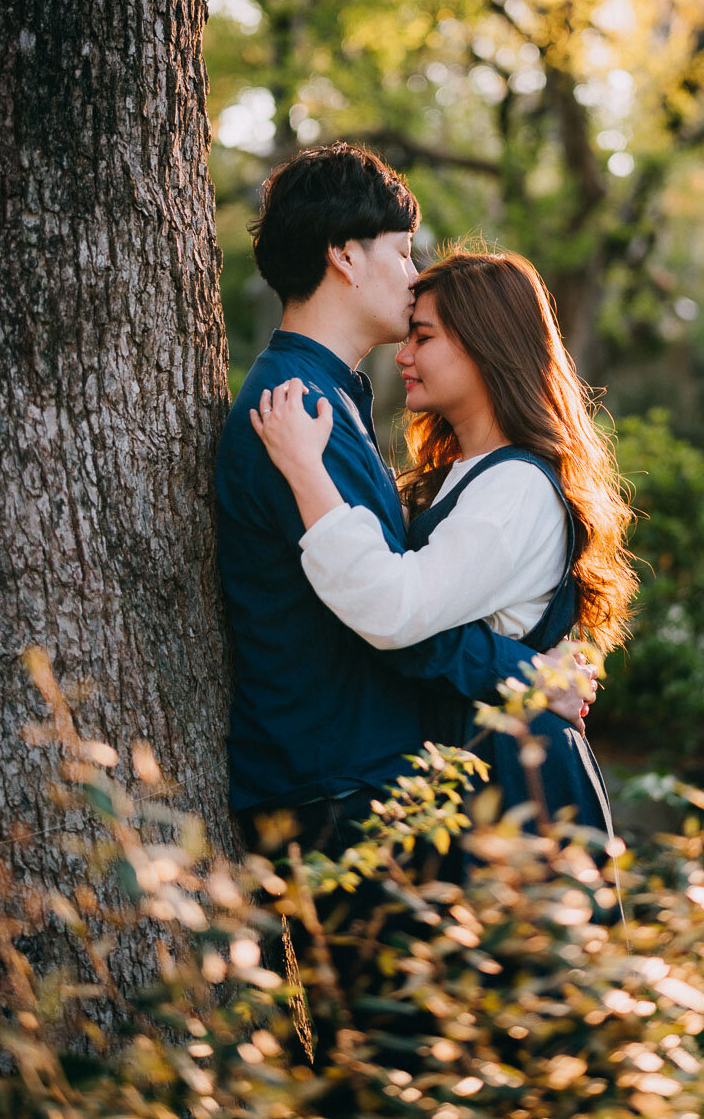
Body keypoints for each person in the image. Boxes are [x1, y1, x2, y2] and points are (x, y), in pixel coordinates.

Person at [215, 144, 597, 865]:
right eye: (401, 250)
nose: (412, 271)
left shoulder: (330, 401)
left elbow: (397, 600)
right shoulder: (298, 409)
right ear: (345, 257)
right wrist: (528, 673)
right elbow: (389, 614)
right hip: (337, 781)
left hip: (357, 777)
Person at [251, 246, 636, 850]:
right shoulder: (460, 474)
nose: (402, 354)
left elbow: (395, 608)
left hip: (516, 779)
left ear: (485, 346)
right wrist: (530, 672)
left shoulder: (515, 488)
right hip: (474, 762)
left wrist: (306, 469)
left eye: (422, 338)